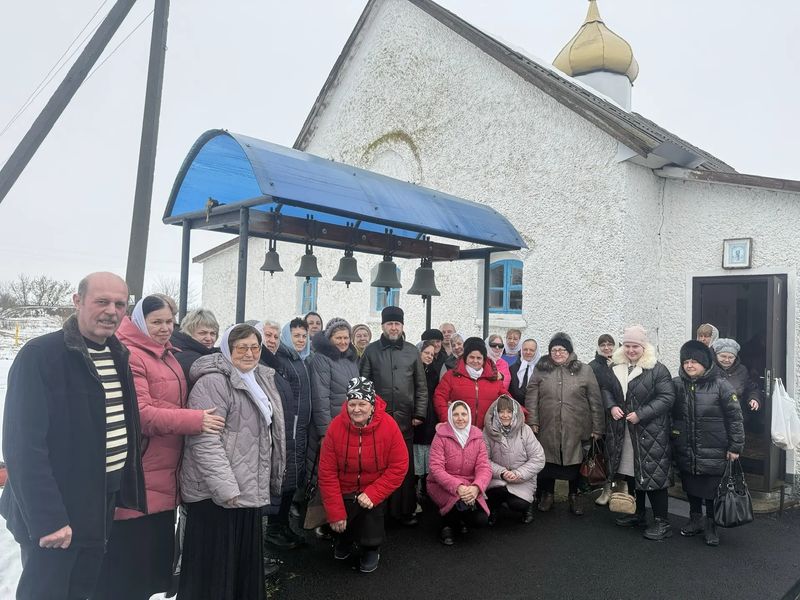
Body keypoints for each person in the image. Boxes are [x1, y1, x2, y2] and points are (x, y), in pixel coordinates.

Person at [0, 272, 147, 600]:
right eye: (101, 301)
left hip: (99, 505)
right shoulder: (41, 355)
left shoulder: (117, 355)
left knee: (81, 592)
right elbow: (23, 448)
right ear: (77, 301)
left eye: (120, 304)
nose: (111, 310)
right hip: (56, 510)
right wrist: (49, 519)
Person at [94, 295, 223, 599]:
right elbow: (141, 414)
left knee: (149, 571)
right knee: (126, 571)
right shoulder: (132, 355)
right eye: (157, 322)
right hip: (140, 476)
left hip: (163, 477)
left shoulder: (166, 354)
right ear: (140, 321)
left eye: (169, 322)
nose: (165, 328)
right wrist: (196, 420)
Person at [179, 323, 286, 599]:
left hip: (246, 487)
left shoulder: (259, 378)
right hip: (218, 495)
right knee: (216, 569)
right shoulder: (214, 381)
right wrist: (226, 490)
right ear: (227, 348)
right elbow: (204, 441)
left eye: (255, 347)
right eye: (242, 347)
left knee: (240, 566)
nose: (250, 353)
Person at [318, 377, 408, 573]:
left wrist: (375, 493)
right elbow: (327, 472)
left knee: (369, 509)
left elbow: (399, 465)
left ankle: (370, 547)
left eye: (362, 404)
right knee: (344, 508)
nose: (356, 409)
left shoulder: (389, 426)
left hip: (373, 486)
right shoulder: (335, 427)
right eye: (352, 404)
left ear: (372, 405)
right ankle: (344, 538)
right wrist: (335, 513)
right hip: (344, 488)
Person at [603, 325, 676, 540]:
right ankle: (639, 513)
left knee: (654, 477)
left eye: (635, 346)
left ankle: (663, 522)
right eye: (627, 345)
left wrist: (640, 414)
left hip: (650, 432)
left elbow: (666, 398)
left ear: (644, 347)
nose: (631, 350)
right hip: (625, 431)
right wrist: (611, 406)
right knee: (633, 472)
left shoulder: (657, 369)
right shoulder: (616, 366)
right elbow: (606, 389)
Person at [360, 306, 428, 526]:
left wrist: (419, 413)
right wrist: (365, 415)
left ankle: (404, 511)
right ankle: (379, 511)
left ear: (402, 326)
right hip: (377, 421)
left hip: (405, 420)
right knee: (378, 466)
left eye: (397, 324)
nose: (393, 327)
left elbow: (421, 386)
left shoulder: (411, 351)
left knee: (403, 468)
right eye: (389, 323)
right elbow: (363, 385)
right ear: (382, 326)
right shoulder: (371, 351)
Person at [672, 340, 744, 546]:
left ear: (705, 363)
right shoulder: (677, 384)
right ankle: (695, 519)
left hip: (714, 448)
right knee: (690, 485)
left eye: (694, 361)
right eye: (686, 361)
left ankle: (711, 524)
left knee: (711, 490)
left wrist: (735, 447)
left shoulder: (721, 385)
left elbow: (735, 418)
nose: (690, 365)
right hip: (686, 447)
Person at [525, 332, 603, 516]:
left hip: (577, 427)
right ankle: (547, 494)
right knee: (546, 461)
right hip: (547, 425)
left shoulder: (585, 370)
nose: (558, 353)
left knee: (575, 462)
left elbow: (595, 401)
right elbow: (531, 397)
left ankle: (575, 495)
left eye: (562, 349)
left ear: (569, 351)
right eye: (554, 349)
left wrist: (598, 428)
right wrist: (532, 421)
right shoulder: (541, 369)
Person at [257, 320, 309, 551]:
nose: (272, 340)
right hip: (277, 431)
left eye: (275, 336)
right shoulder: (267, 364)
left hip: (293, 428)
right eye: (267, 335)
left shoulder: (282, 361)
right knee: (277, 481)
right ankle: (272, 532)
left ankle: (281, 525)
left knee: (289, 478)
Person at [428, 402, 492, 545]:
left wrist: (476, 487)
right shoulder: (440, 436)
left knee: (480, 519)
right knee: (456, 502)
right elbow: (436, 468)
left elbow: (484, 467)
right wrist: (458, 487)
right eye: (456, 414)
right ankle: (447, 526)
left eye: (464, 414)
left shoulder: (477, 436)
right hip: (442, 484)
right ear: (450, 416)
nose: (460, 418)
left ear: (469, 416)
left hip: (470, 486)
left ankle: (461, 519)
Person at [483, 395, 545, 525]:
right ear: (495, 412)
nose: (505, 415)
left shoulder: (525, 430)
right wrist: (501, 472)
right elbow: (483, 460)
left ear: (514, 412)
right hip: (498, 478)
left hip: (523, 479)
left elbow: (538, 458)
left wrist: (518, 473)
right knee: (495, 492)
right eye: (501, 411)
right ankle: (494, 509)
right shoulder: (488, 432)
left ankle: (527, 508)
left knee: (517, 504)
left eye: (509, 412)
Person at [434, 336, 505, 428]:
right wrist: (448, 420)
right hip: (458, 429)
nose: (475, 361)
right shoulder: (450, 376)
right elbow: (439, 398)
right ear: (465, 357)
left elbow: (507, 400)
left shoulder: (494, 378)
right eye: (471, 357)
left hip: (486, 432)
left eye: (479, 358)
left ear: (484, 359)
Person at [310, 318, 360, 436]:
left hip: (351, 422)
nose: (343, 342)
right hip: (333, 425)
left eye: (346, 338)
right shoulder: (322, 359)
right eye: (338, 338)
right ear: (330, 339)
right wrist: (325, 432)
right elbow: (320, 398)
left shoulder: (351, 359)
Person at [588, 333, 616, 506]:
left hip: (619, 416)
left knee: (618, 454)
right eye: (603, 345)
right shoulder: (592, 367)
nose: (607, 348)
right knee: (604, 453)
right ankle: (606, 488)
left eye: (610, 344)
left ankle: (621, 488)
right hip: (601, 416)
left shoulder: (622, 363)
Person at [414, 340, 441, 504]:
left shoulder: (433, 372)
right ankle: (415, 490)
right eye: (427, 353)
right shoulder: (411, 371)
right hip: (416, 416)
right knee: (416, 453)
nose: (430, 356)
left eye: (432, 354)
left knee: (428, 454)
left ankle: (426, 488)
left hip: (431, 417)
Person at [712, 338, 762, 413]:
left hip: (736, 414)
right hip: (712, 414)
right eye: (723, 356)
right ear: (716, 355)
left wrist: (754, 398)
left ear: (735, 357)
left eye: (731, 357)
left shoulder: (742, 370)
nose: (727, 360)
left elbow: (751, 388)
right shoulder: (709, 369)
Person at [170, 308, 220, 381]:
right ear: (188, 333)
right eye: (202, 333)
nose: (209, 338)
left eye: (212, 334)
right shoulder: (188, 358)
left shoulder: (208, 354)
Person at [508, 338, 541, 404]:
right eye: (525, 349)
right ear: (521, 350)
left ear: (536, 351)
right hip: (517, 408)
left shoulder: (543, 369)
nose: (528, 352)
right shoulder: (512, 369)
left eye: (531, 350)